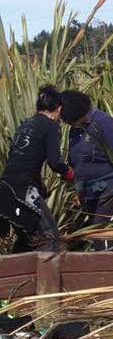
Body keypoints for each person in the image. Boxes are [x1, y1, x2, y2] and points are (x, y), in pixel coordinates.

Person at [0, 85, 73, 252]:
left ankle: (14, 275)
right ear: (59, 109)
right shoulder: (51, 126)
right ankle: (46, 277)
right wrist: (69, 173)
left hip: (5, 188)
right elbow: (54, 162)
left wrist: (39, 186)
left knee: (29, 237)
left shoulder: (25, 125)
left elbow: (20, 160)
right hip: (22, 189)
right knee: (49, 237)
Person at [60, 90, 113, 250]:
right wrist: (78, 190)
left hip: (110, 190)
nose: (69, 124)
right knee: (91, 233)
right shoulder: (76, 129)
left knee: (101, 234)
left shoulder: (105, 123)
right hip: (89, 192)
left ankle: (105, 272)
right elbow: (77, 162)